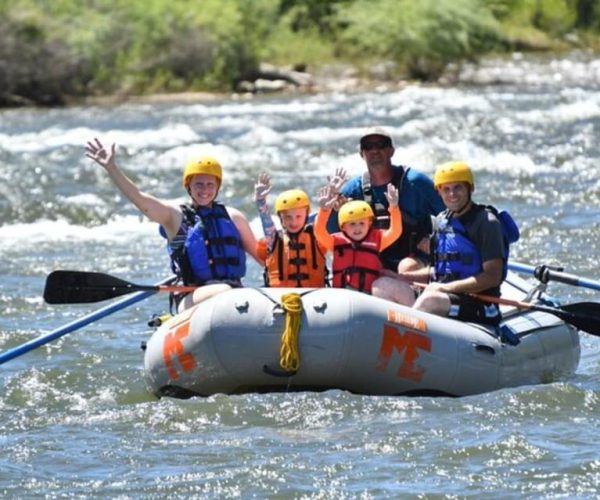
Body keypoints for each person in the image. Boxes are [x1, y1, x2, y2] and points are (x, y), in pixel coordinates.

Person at [85, 138, 261, 311]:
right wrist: (111, 168)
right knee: (224, 291)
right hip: (192, 296)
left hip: (235, 294)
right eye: (198, 184)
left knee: (232, 292)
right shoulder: (175, 216)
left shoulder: (234, 217)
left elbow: (263, 258)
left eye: (210, 184)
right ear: (188, 186)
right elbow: (140, 199)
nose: (204, 190)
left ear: (217, 187)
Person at [394, 161, 508, 326]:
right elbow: (441, 271)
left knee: (431, 299)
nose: (452, 194)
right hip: (445, 295)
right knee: (390, 285)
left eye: (458, 188)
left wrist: (446, 289)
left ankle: (403, 339)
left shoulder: (486, 222)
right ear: (438, 192)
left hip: (480, 304)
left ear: (471, 189)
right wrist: (401, 278)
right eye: (446, 189)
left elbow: (492, 277)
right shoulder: (442, 220)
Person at [326, 126, 444, 273]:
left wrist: (435, 240)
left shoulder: (416, 182)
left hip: (416, 260)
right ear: (362, 154)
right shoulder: (353, 190)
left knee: (406, 267)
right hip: (375, 260)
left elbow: (451, 216)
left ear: (391, 151)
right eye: (368, 147)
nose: (375, 150)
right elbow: (331, 235)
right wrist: (333, 210)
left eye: (380, 145)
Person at [314, 182, 402, 294]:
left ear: (369, 224)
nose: (357, 228)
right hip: (342, 294)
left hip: (368, 296)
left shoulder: (378, 240)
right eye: (352, 224)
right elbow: (319, 231)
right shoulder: (335, 242)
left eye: (362, 223)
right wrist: (324, 211)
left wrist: (394, 208)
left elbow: (396, 231)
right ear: (343, 227)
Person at [253, 172, 328, 287]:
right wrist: (260, 201)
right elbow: (265, 220)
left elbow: (323, 220)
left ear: (307, 215)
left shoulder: (317, 236)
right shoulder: (273, 239)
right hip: (281, 296)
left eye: (298, 216)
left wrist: (326, 206)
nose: (293, 222)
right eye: (288, 217)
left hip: (314, 295)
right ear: (280, 218)